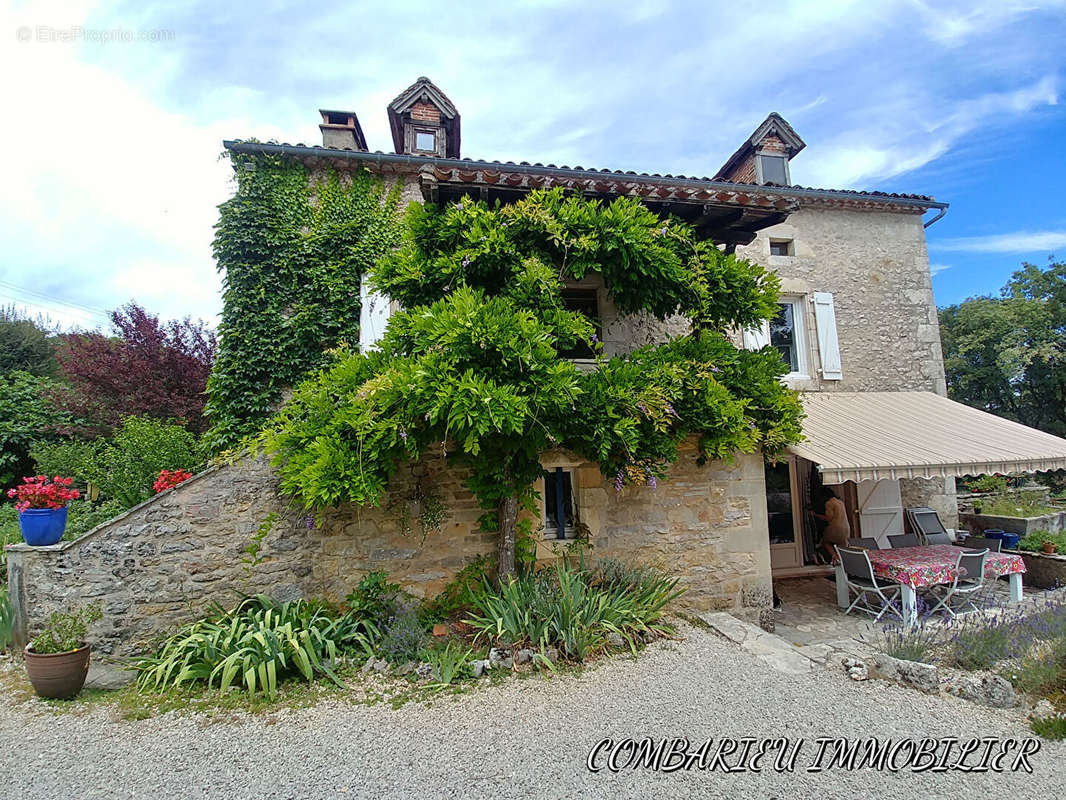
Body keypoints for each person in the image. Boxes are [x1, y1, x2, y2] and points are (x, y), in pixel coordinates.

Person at [814, 486, 850, 563]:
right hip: (846, 529)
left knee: (825, 542)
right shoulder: (840, 502)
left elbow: (828, 518)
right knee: (842, 547)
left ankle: (834, 556)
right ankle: (840, 560)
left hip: (835, 529)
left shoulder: (829, 503)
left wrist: (815, 514)